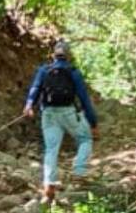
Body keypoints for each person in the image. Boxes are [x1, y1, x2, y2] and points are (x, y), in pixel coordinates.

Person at [23, 39, 98, 203]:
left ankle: (49, 183)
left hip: (48, 113)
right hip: (68, 112)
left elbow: (35, 88)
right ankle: (79, 172)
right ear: (68, 55)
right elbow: (84, 98)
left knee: (51, 149)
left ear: (53, 55)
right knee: (85, 139)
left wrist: (29, 105)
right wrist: (93, 122)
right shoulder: (73, 72)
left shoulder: (44, 70)